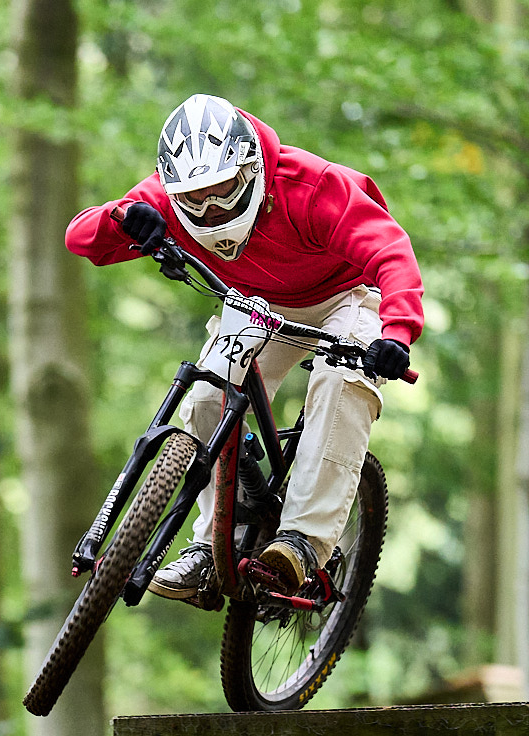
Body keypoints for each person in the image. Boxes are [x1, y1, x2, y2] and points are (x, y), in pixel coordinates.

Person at [65, 94, 424, 600]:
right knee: (208, 396)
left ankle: (302, 542)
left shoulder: (311, 186)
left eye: (224, 189)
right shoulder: (165, 197)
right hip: (256, 303)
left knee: (341, 381)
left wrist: (396, 332)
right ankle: (213, 546)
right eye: (195, 197)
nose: (211, 208)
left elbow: (390, 250)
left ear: (250, 168)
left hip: (344, 295)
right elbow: (80, 237)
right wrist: (122, 218)